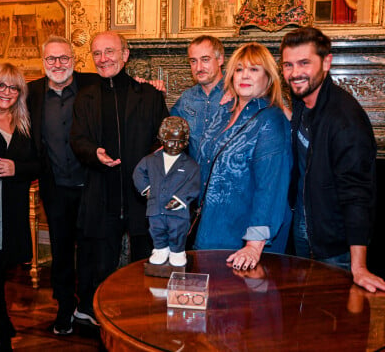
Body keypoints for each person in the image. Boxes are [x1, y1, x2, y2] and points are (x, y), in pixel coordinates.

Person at [281, 26, 385, 300]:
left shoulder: (345, 120)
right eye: (288, 64)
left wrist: (359, 267)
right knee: (306, 314)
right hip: (303, 228)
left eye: (304, 63)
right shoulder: (302, 102)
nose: (294, 72)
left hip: (333, 245)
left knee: (331, 324)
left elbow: (357, 194)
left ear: (326, 62)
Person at [70, 31, 169, 322]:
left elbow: (162, 139)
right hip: (102, 194)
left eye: (109, 52)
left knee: (144, 265)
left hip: (142, 197)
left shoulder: (149, 94)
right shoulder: (85, 97)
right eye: (97, 53)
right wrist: (94, 153)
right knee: (101, 265)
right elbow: (77, 139)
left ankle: (142, 321)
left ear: (125, 55)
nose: (103, 59)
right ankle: (104, 322)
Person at [194, 42, 292, 271]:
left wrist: (254, 244)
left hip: (244, 241)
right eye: (239, 69)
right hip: (211, 226)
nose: (244, 75)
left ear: (268, 77)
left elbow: (271, 185)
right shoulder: (223, 112)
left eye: (254, 69)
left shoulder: (271, 119)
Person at [27, 35, 100, 335]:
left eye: (64, 58)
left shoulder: (93, 85)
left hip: (91, 185)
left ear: (74, 60)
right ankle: (64, 307)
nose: (58, 64)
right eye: (51, 59)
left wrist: (153, 87)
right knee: (60, 251)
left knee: (90, 249)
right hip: (54, 186)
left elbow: (127, 91)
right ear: (43, 62)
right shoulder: (30, 92)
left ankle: (87, 307)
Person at [0, 63, 40, 350]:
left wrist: (17, 168)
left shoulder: (26, 123)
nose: (6, 92)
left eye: (13, 87)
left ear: (20, 92)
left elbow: (41, 164)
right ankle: (1, 328)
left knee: (2, 263)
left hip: (13, 208)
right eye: (0, 85)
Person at [132, 116, 200, 267]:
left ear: (186, 142)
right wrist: (146, 189)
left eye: (180, 142)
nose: (175, 146)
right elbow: (138, 173)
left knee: (178, 230)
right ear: (162, 139)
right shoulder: (150, 160)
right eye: (171, 141)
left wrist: (181, 199)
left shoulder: (190, 165)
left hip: (178, 212)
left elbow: (194, 185)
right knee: (156, 228)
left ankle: (177, 251)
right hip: (155, 207)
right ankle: (161, 249)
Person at [170, 35, 225, 160]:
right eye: (193, 61)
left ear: (220, 59)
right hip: (196, 177)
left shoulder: (237, 92)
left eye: (205, 59)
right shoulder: (186, 99)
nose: (199, 68)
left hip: (231, 177)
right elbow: (169, 134)